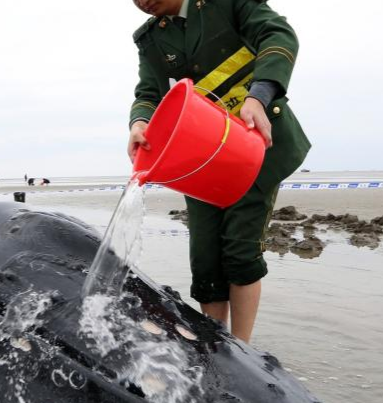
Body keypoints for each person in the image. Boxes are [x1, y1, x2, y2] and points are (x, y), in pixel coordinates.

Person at [126, 0, 310, 342]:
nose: (141, 2)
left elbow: (278, 35)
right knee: (206, 260)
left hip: (254, 144)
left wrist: (260, 94)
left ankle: (243, 352)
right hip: (198, 157)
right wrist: (139, 123)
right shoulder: (151, 39)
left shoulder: (224, 3)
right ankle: (216, 348)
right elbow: (149, 92)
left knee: (240, 251)